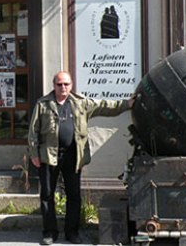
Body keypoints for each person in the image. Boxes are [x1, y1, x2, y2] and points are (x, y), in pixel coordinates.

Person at [28, 71, 134, 245]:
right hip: (48, 156)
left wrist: (127, 104)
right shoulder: (43, 104)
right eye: (59, 84)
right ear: (53, 85)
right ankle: (49, 232)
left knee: (74, 195)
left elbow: (105, 106)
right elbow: (33, 132)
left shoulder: (81, 103)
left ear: (71, 85)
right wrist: (34, 155)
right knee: (47, 195)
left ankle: (72, 232)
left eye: (66, 84)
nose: (63, 87)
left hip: (72, 156)